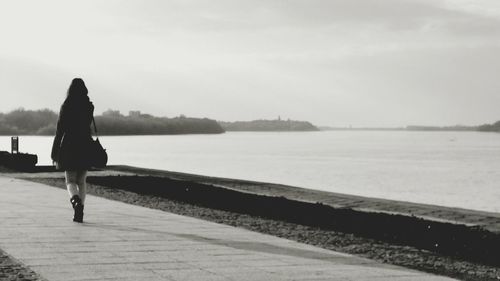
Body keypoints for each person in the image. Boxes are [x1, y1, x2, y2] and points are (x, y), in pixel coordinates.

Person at [51, 78, 94, 223]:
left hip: (69, 145)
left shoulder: (66, 105)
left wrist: (55, 151)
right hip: (85, 144)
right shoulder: (89, 106)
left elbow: (59, 130)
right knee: (81, 181)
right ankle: (80, 209)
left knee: (70, 180)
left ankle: (75, 202)